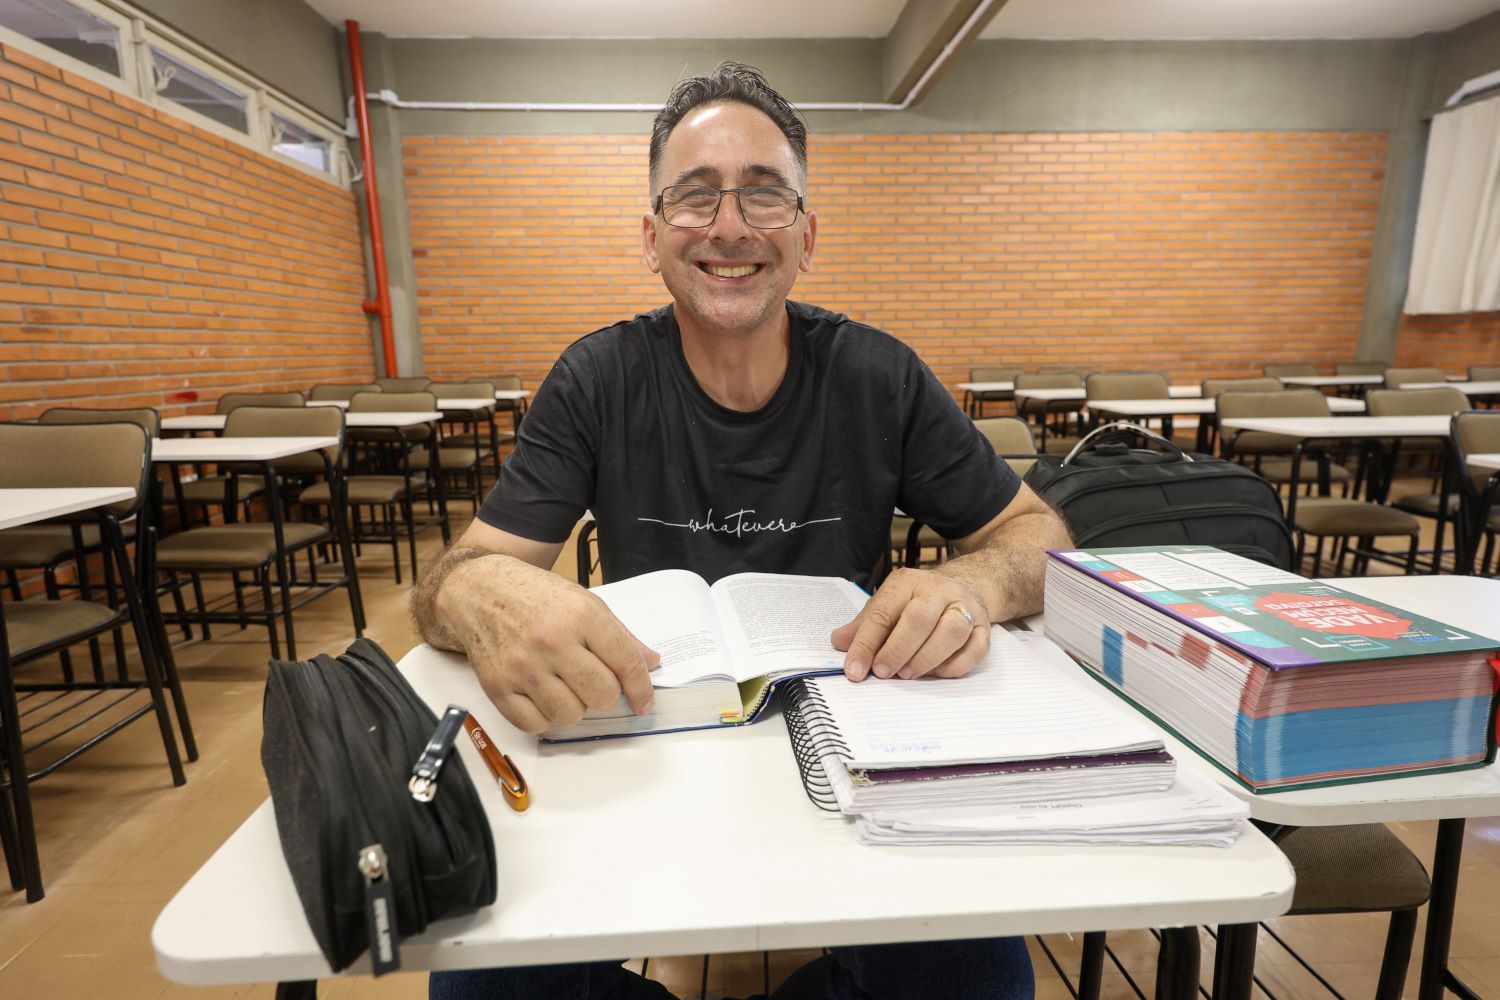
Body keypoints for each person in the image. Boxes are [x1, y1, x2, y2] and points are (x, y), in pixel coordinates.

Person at [415, 62, 1068, 1000]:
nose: (729, 226)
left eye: (765, 196)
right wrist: (482, 592)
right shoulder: (597, 379)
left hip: (848, 744)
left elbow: (1041, 537)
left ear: (807, 235)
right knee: (481, 986)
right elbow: (455, 578)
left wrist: (973, 585)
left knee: (983, 980)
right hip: (646, 747)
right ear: (651, 237)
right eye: (694, 197)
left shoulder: (877, 375)